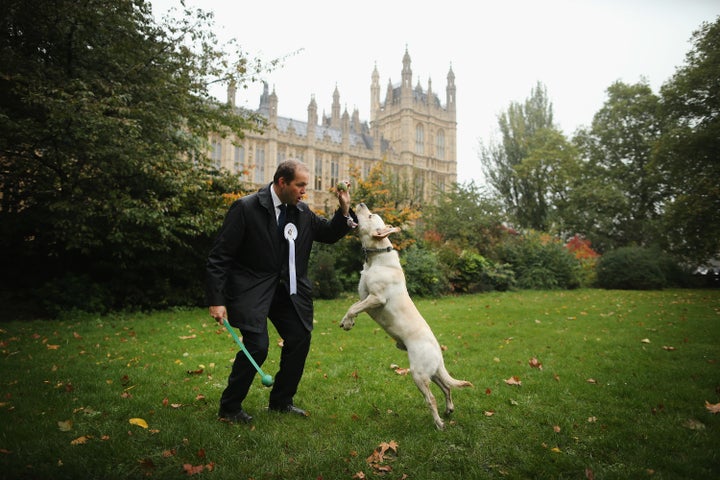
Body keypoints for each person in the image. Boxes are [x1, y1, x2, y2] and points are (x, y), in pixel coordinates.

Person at [206, 159, 357, 424]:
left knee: (299, 338)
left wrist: (344, 208)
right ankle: (229, 408)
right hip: (252, 289)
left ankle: (281, 402)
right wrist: (217, 300)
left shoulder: (302, 212)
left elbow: (331, 234)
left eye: (306, 186)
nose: (304, 191)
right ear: (281, 182)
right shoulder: (246, 208)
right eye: (300, 185)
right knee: (258, 346)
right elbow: (220, 257)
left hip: (288, 291)